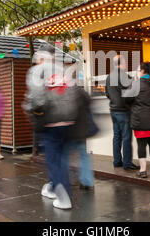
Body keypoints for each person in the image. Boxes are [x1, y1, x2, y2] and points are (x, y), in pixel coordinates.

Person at [24, 43, 75, 210]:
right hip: (68, 120)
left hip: (50, 120)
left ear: (40, 58)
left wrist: (31, 108)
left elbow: (37, 96)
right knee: (61, 158)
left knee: (53, 159)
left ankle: (63, 197)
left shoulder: (37, 71)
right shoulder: (62, 69)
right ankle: (54, 186)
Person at [105, 55, 138, 171]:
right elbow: (132, 94)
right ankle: (127, 163)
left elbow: (107, 94)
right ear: (122, 63)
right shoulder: (125, 76)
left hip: (113, 110)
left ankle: (117, 161)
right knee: (126, 137)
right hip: (124, 110)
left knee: (117, 137)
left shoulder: (109, 77)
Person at [60, 85, 96, 191]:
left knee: (64, 156)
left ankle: (62, 180)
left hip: (70, 132)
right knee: (84, 156)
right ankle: (87, 182)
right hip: (82, 131)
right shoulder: (82, 92)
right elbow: (90, 105)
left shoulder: (64, 94)